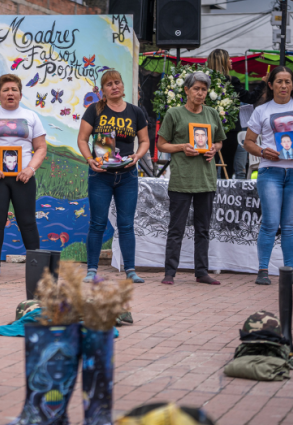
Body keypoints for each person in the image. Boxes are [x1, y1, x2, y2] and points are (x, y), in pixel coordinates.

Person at [243, 66, 293, 285]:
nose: (284, 86)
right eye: (279, 82)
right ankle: (263, 271)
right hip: (270, 172)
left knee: (289, 225)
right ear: (270, 85)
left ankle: (289, 271)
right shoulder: (261, 110)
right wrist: (261, 151)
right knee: (269, 222)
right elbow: (248, 142)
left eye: (288, 82)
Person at [76, 69, 150, 284]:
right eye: (109, 84)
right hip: (100, 175)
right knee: (97, 223)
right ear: (103, 90)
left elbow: (145, 141)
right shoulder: (94, 110)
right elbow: (82, 139)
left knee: (126, 224)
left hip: (127, 176)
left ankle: (130, 270)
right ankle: (91, 270)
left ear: (123, 86)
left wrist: (138, 155)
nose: (114, 86)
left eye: (117, 82)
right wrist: (90, 159)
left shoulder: (136, 112)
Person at [0, 74, 47, 278]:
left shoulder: (31, 116)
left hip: (24, 178)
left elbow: (41, 148)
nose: (10, 93)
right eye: (6, 90)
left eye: (14, 89)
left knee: (28, 222)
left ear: (21, 94)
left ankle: (36, 266)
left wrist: (30, 169)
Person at [157, 71, 226, 286]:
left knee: (203, 229)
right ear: (186, 90)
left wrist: (214, 148)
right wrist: (181, 147)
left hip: (206, 179)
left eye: (204, 89)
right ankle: (170, 272)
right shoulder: (174, 114)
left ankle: (202, 271)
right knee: (176, 229)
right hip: (181, 179)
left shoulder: (212, 114)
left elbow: (219, 142)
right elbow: (161, 144)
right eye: (196, 88)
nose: (200, 93)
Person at [207, 49, 266, 179]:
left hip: (208, 128)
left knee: (208, 163)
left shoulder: (204, 81)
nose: (231, 60)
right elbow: (250, 98)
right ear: (222, 62)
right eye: (228, 58)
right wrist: (263, 83)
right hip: (229, 130)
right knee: (226, 167)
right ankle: (222, 194)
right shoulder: (231, 81)